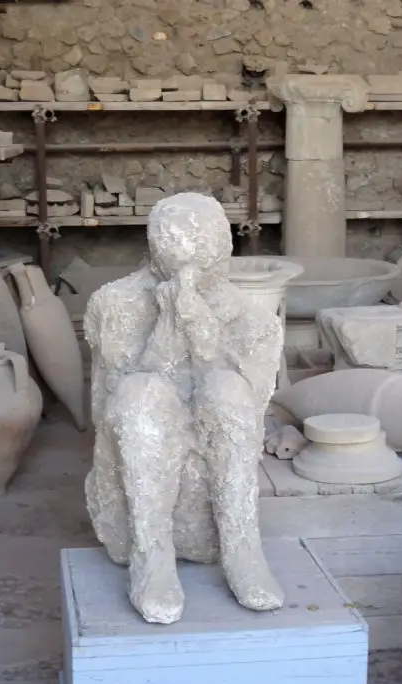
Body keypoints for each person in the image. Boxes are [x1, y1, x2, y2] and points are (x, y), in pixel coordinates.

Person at [84, 192, 285, 624]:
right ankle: (151, 556)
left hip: (210, 443)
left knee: (228, 390)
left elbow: (252, 409)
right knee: (141, 394)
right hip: (148, 439)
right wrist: (168, 331)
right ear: (155, 258)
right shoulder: (114, 304)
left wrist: (204, 333)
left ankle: (241, 548)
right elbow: (110, 407)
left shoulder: (257, 321)